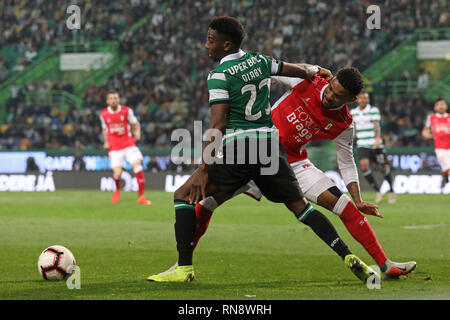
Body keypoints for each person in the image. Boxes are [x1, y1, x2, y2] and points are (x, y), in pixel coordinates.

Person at [147, 16, 377, 283]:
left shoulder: (219, 75)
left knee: (183, 195)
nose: (205, 45)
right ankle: (348, 255)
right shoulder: (260, 61)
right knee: (300, 207)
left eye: (210, 40)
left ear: (226, 45)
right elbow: (299, 70)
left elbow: (217, 123)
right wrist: (317, 69)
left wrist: (202, 168)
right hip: (271, 147)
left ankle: (184, 269)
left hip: (242, 148)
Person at [166, 67, 417, 279]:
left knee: (345, 205)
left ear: (350, 99)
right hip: (255, 151)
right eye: (330, 88)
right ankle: (183, 265)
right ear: (329, 81)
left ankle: (385, 265)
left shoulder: (344, 124)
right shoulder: (306, 81)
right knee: (206, 204)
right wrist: (310, 67)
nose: (328, 96)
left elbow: (347, 161)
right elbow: (273, 68)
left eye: (337, 96)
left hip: (292, 163)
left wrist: (358, 198)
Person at [100, 90, 151, 205]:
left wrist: (138, 132)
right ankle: (117, 190)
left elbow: (135, 123)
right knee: (117, 173)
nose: (114, 100)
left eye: (115, 98)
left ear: (118, 100)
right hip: (114, 147)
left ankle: (141, 197)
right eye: (111, 98)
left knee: (137, 166)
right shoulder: (103, 114)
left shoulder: (126, 111)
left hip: (128, 144)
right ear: (107, 101)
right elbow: (105, 129)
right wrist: (106, 142)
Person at [350, 92, 396, 203]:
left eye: (365, 98)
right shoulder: (353, 112)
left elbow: (376, 125)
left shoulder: (373, 110)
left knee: (383, 168)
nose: (363, 100)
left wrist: (377, 138)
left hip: (375, 144)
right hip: (362, 144)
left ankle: (391, 191)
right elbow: (353, 127)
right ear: (357, 100)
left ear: (368, 100)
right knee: (364, 167)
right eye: (361, 98)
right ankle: (378, 190)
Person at [422, 98, 450, 189]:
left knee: (447, 166)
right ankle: (445, 176)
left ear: (446, 106)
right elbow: (425, 132)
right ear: (435, 107)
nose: (441, 106)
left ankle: (445, 177)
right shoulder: (431, 118)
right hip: (440, 147)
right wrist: (431, 136)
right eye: (439, 104)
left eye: (443, 104)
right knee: (446, 165)